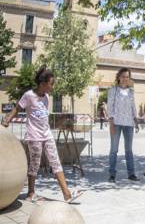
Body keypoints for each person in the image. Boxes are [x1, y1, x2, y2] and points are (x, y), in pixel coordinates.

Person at [1, 67, 83, 203]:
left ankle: (66, 194)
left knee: (55, 162)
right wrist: (7, 120)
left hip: (47, 135)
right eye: (51, 83)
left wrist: (60, 123)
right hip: (34, 137)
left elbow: (44, 117)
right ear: (43, 83)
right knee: (35, 164)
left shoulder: (46, 97)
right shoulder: (28, 96)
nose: (52, 87)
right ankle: (31, 193)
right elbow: (17, 108)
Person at [107, 68, 139, 182]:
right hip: (116, 123)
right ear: (119, 77)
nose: (125, 79)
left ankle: (131, 174)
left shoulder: (131, 91)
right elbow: (110, 108)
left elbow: (133, 106)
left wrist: (136, 120)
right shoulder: (113, 90)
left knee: (129, 150)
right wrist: (111, 124)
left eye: (127, 77)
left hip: (129, 124)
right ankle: (112, 174)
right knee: (114, 150)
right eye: (123, 76)